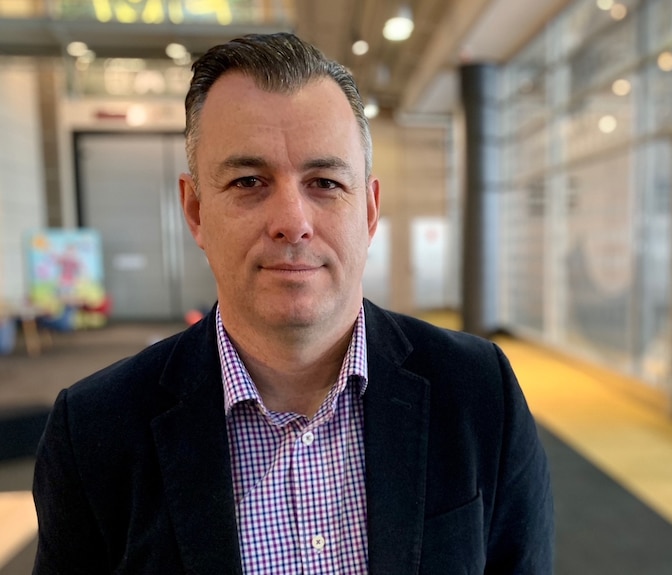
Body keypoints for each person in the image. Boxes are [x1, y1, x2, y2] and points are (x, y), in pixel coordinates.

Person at [32, 32, 553, 574]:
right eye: (249, 181)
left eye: (325, 182)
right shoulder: (95, 432)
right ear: (195, 211)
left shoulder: (477, 392)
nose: (292, 223)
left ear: (369, 212)